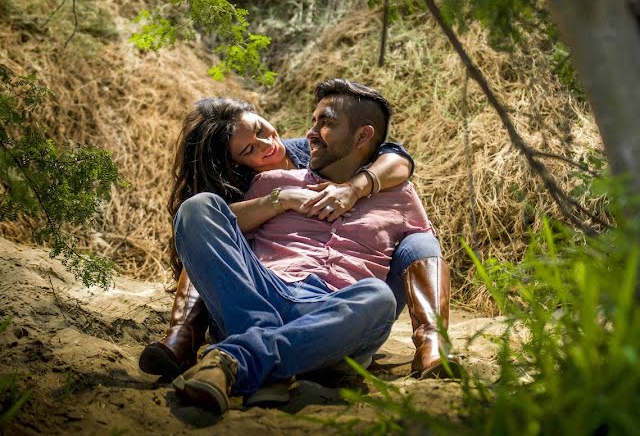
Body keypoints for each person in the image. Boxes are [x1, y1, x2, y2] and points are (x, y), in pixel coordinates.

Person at [139, 89, 458, 392]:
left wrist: (354, 188)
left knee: (384, 289)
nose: (267, 144)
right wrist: (280, 200)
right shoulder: (263, 182)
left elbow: (395, 157)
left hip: (333, 303)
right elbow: (217, 239)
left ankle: (238, 356)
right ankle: (197, 339)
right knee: (199, 208)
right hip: (265, 293)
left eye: (261, 129)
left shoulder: (375, 178)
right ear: (235, 163)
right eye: (250, 149)